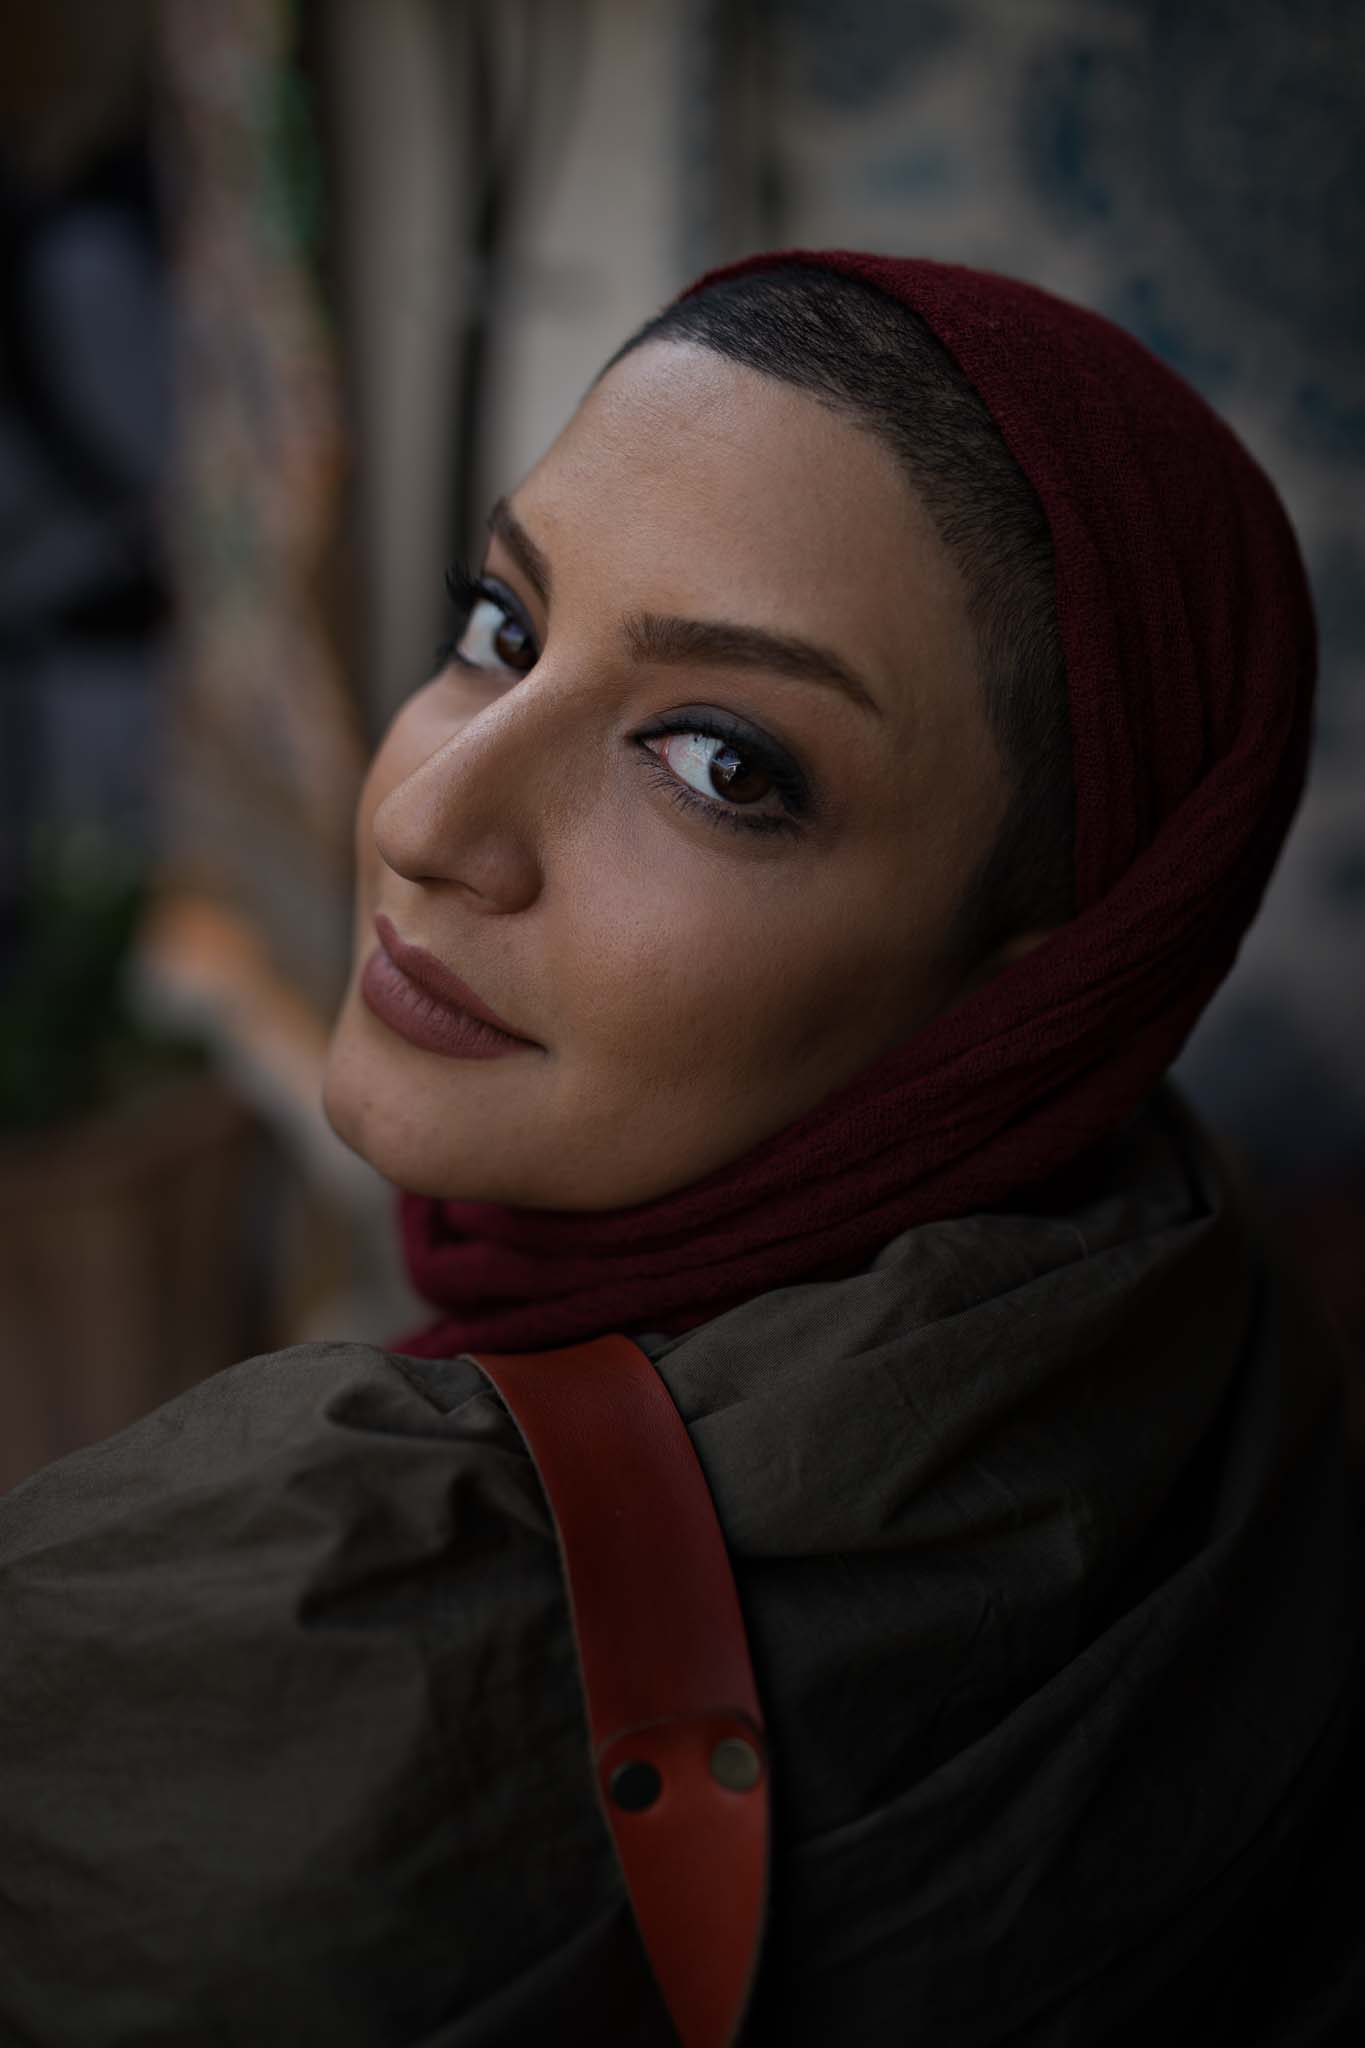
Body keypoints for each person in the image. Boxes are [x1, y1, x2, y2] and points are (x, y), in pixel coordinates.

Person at [1, 249, 1362, 2045]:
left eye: (721, 766)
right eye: (500, 625)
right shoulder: (1192, 1298)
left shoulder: (342, 1595)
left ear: (1042, 982)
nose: (424, 814)